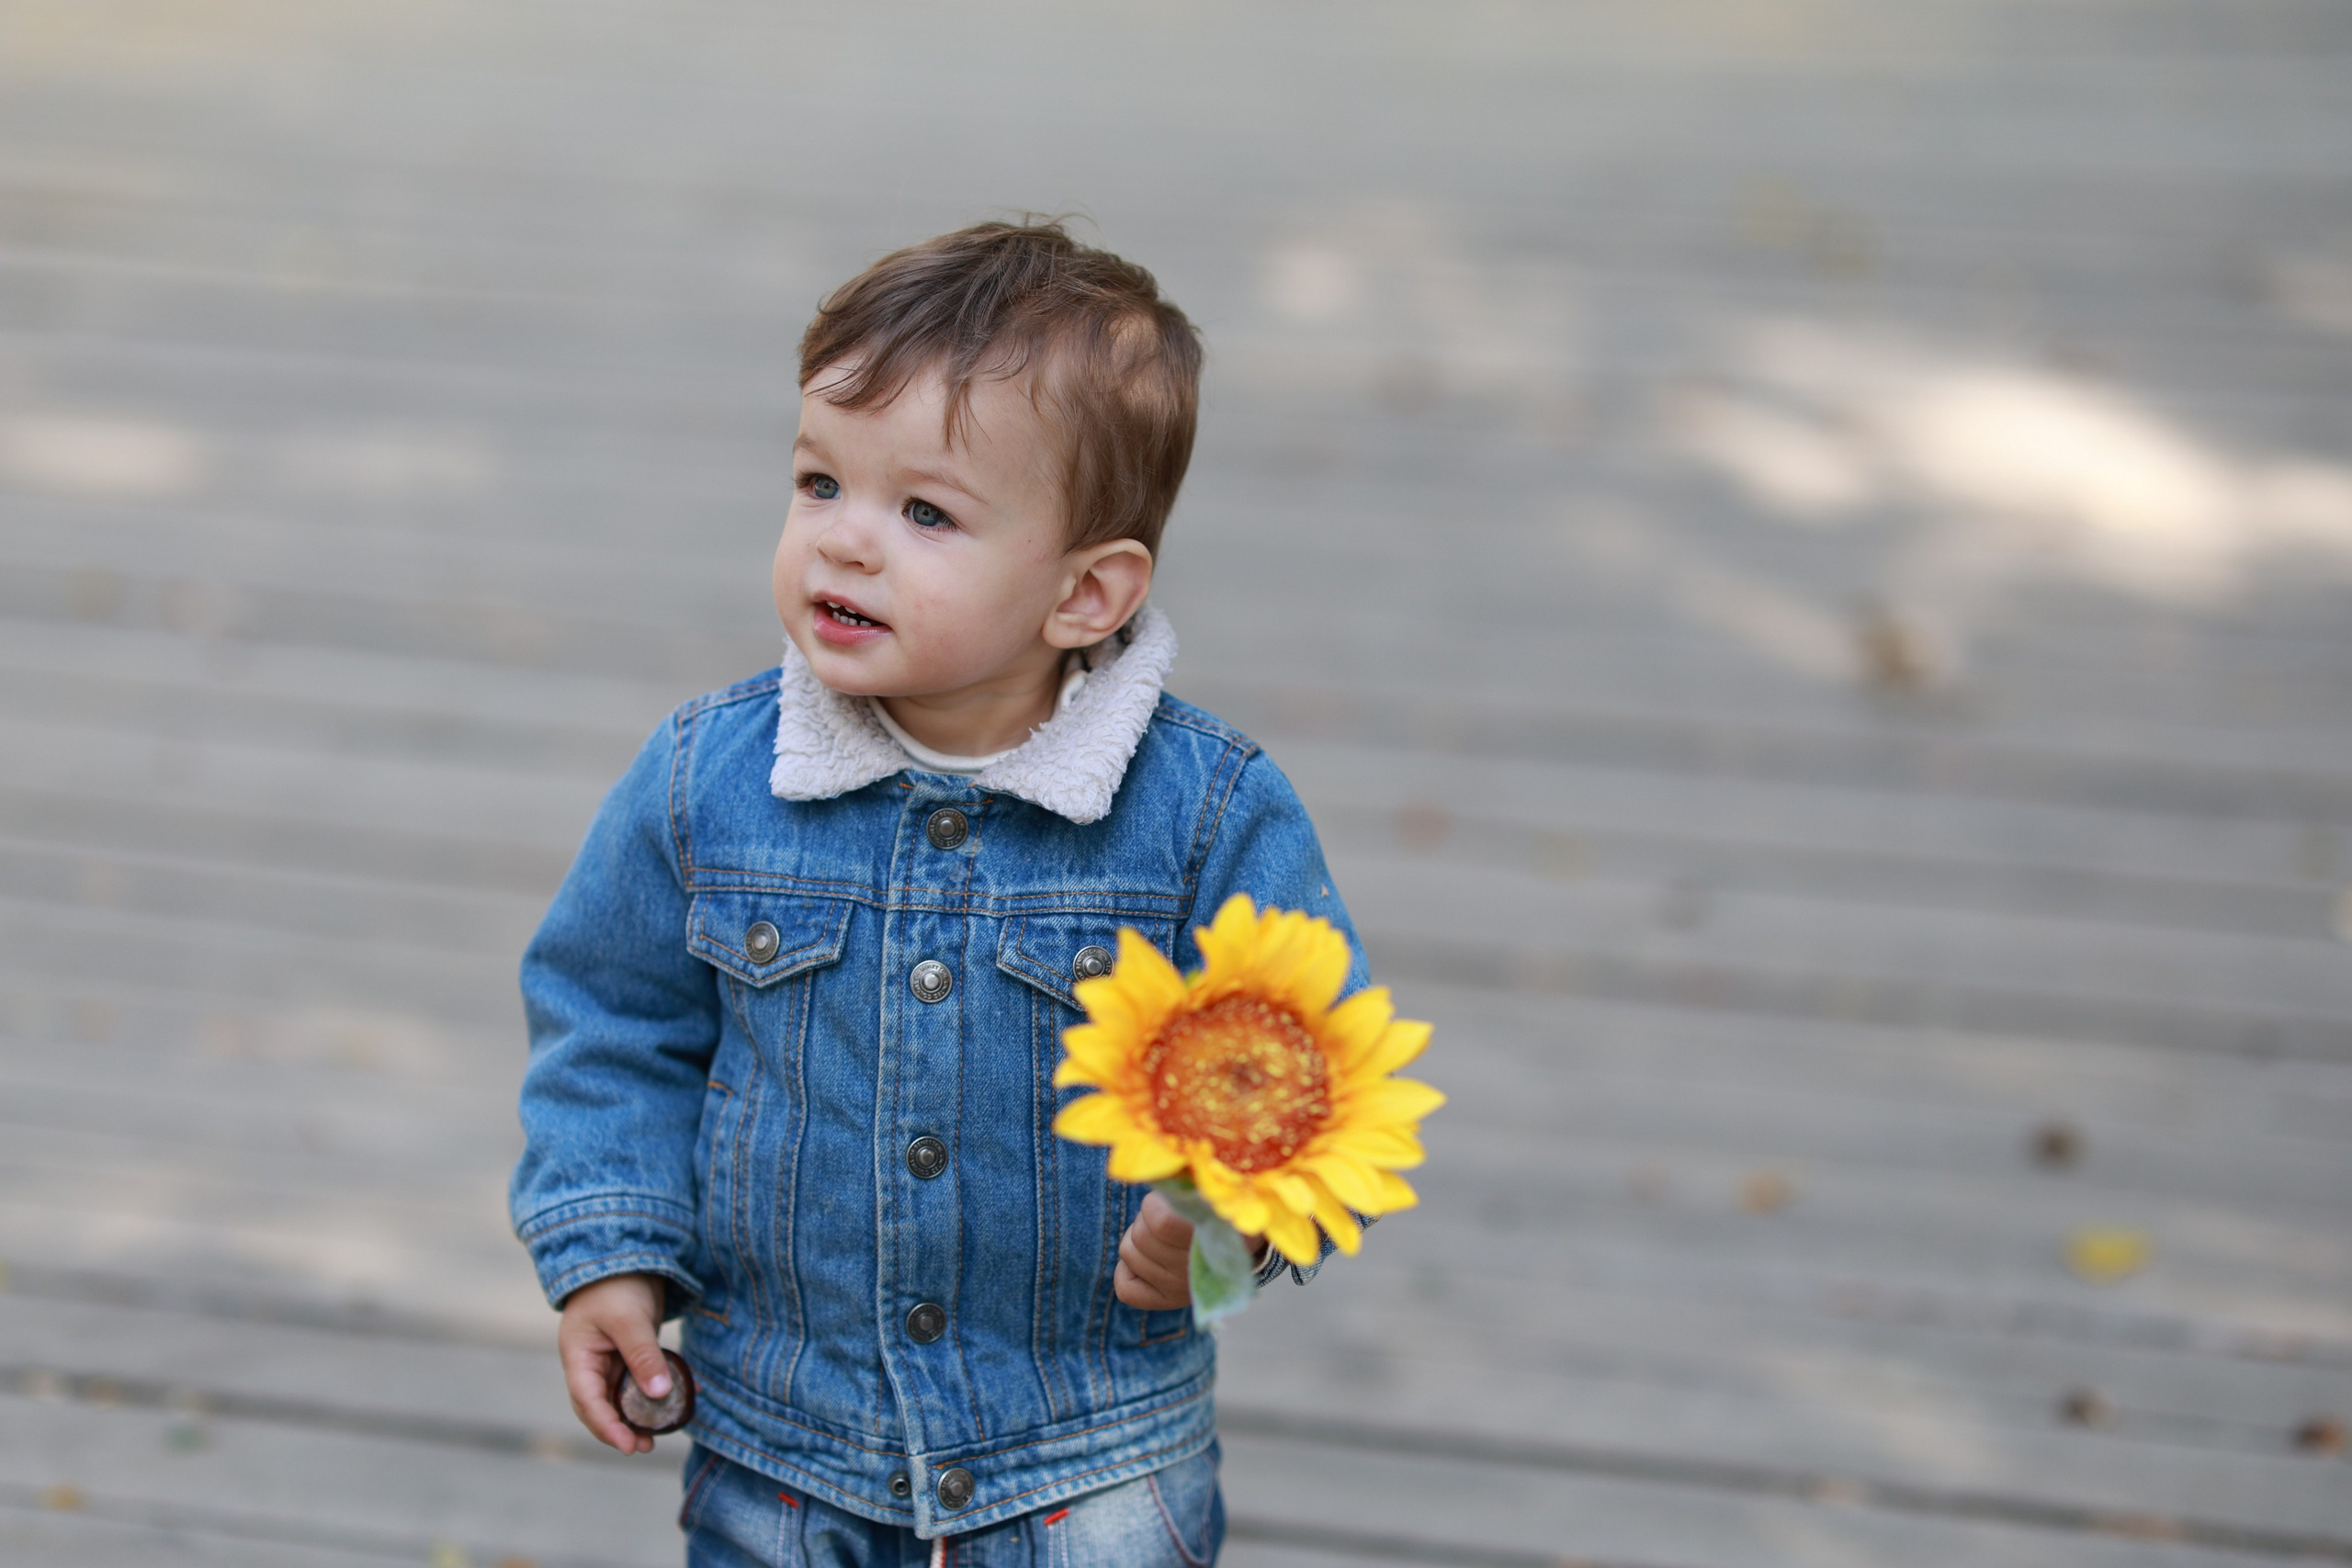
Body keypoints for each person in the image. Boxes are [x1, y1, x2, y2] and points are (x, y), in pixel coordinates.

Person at [511, 220, 1368, 1567]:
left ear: (1086, 594)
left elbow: (1315, 1062)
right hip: (783, 1449)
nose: (845, 544)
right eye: (818, 484)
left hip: (1086, 1461)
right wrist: (612, 1247)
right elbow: (611, 1022)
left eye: (924, 513)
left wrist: (1230, 1218)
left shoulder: (1200, 818)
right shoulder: (707, 781)